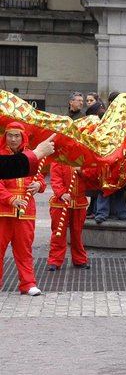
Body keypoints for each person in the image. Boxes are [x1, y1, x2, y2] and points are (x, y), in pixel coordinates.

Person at [0, 122, 46, 296]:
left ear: (22, 137)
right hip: (3, 210)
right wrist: (11, 199)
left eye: (16, 135)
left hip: (26, 210)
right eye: (10, 135)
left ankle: (28, 283)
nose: (13, 139)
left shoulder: (30, 156)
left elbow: (40, 178)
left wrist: (39, 185)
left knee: (24, 249)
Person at [47, 163, 91, 270]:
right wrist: (61, 193)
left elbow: (93, 177)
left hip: (79, 202)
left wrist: (82, 171)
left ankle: (80, 259)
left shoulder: (84, 159)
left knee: (77, 233)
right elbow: (55, 178)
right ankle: (55, 260)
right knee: (58, 232)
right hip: (60, 202)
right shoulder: (59, 159)